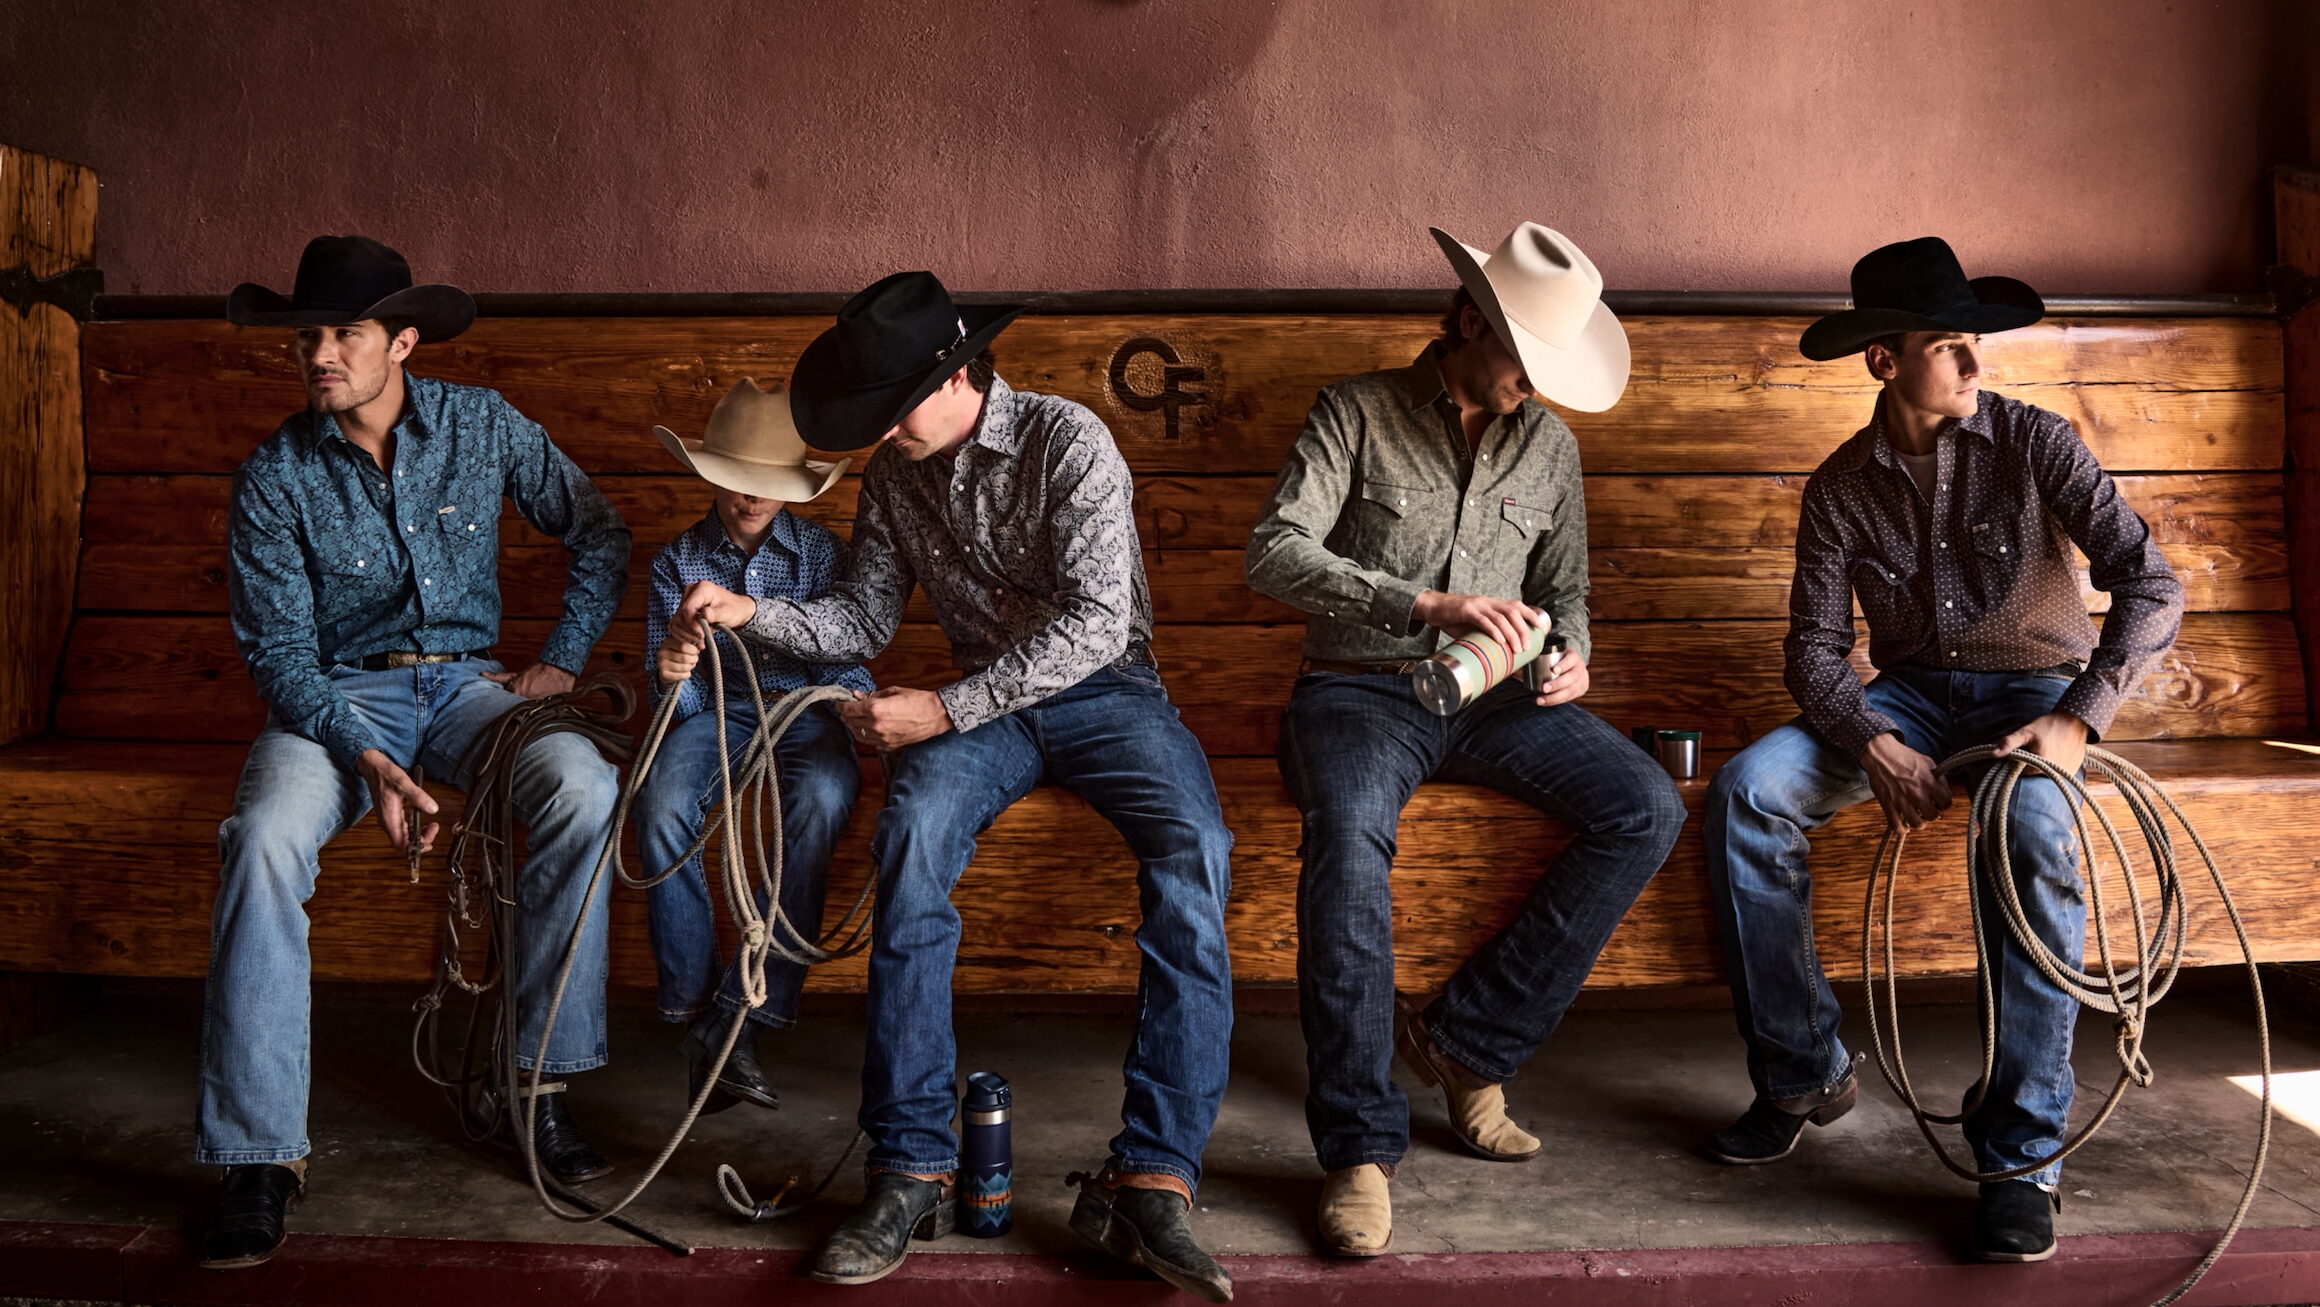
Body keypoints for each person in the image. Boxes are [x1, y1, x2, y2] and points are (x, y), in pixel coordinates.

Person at [671, 272, 1237, 1299]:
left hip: (1108, 693)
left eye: (893, 411)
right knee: (913, 832)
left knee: (1196, 848)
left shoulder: (1070, 441)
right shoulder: (896, 475)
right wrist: (756, 617)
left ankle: (1156, 1174)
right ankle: (910, 1161)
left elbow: (1098, 625)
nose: (881, 435)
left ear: (959, 374)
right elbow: (863, 620)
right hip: (984, 705)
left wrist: (942, 709)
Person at [1701, 237, 2184, 1262]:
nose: (1975, 366)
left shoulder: (2036, 445)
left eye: (1974, 346)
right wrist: (1869, 735)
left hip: (2035, 691)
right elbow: (1814, 648)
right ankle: (1800, 1070)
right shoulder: (1838, 487)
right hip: (1910, 700)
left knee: (2032, 829)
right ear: (1885, 360)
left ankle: (2017, 1152)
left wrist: (2079, 715)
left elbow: (2151, 584)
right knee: (1748, 791)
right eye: (1952, 347)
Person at [1244, 222, 1686, 1257]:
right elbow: (1272, 552)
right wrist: (1423, 601)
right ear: (1469, 322)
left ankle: (1465, 1040)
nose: (1533, 388)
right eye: (1523, 363)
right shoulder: (1353, 410)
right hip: (1355, 691)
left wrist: (1571, 651)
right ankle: (1357, 1147)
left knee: (1643, 805)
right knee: (1348, 840)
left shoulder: (1551, 443)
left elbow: (1564, 589)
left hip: (1495, 700)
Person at [198, 236, 631, 1268]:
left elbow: (601, 531)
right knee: (260, 836)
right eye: (308, 335)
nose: (319, 354)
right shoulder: (275, 474)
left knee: (583, 783)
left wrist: (562, 662)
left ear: (402, 339)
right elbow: (279, 654)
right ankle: (256, 1155)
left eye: (343, 333)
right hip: (334, 701)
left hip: (470, 691)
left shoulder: (482, 427)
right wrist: (365, 753)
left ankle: (537, 1084)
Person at [638, 377, 870, 1113]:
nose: (750, 497)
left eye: (767, 483)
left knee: (823, 797)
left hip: (807, 709)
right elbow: (681, 699)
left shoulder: (821, 555)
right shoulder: (676, 562)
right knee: (659, 803)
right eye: (737, 481)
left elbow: (845, 651)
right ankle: (694, 1003)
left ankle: (738, 1013)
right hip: (722, 711)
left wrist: (856, 700)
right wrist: (673, 672)